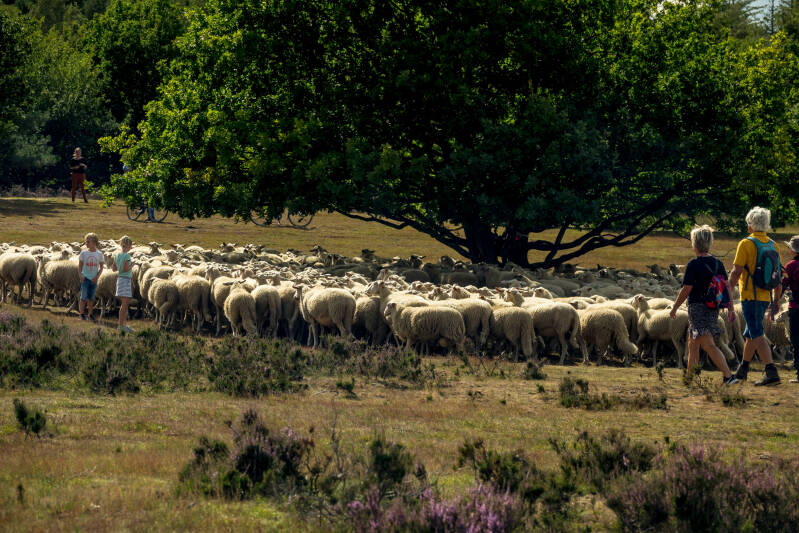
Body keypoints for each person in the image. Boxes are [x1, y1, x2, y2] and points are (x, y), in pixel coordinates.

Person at [669, 225, 738, 385]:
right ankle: (689, 379)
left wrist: (675, 307)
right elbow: (726, 286)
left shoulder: (693, 264)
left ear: (694, 243)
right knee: (693, 344)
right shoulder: (717, 263)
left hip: (698, 307)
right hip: (713, 308)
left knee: (708, 344)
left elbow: (687, 288)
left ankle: (729, 376)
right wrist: (731, 308)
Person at [729, 207, 781, 386]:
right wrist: (777, 299)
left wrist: (728, 288)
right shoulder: (773, 244)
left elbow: (736, 271)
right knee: (750, 334)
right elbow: (777, 275)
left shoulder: (746, 243)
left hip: (750, 295)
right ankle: (742, 370)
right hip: (766, 296)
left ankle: (771, 371)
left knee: (757, 333)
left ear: (750, 224)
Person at [773, 235, 799, 384]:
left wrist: (776, 300)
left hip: (796, 307)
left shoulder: (790, 266)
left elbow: (782, 285)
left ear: (793, 250)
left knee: (796, 340)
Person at [78, 232, 104, 321]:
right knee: (83, 297)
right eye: (86, 241)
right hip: (85, 278)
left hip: (94, 279)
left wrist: (97, 277)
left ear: (94, 243)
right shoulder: (83, 253)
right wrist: (80, 275)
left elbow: (101, 267)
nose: (86, 243)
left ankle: (90, 314)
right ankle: (81, 314)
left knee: (91, 298)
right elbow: (80, 265)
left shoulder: (99, 254)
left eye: (88, 241)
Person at [112, 235, 135, 333]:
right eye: (130, 246)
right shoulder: (127, 256)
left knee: (124, 304)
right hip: (125, 279)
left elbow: (114, 269)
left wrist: (121, 267)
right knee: (124, 305)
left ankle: (124, 325)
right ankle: (121, 326)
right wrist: (132, 265)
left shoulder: (117, 255)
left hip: (120, 279)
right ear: (129, 245)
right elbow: (126, 269)